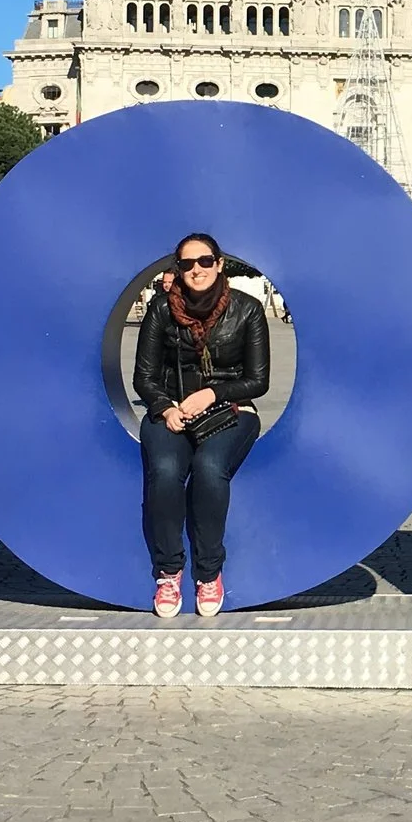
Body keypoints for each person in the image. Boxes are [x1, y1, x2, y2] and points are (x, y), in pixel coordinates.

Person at [134, 232, 269, 617]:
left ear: (219, 264)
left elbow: (258, 380)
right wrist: (165, 407)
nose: (197, 270)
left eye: (205, 261)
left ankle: (209, 573)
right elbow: (144, 377)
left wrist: (212, 394)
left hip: (231, 410)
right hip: (172, 411)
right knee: (164, 470)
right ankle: (169, 571)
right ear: (178, 269)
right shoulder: (161, 310)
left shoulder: (247, 309)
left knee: (210, 468)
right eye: (187, 263)